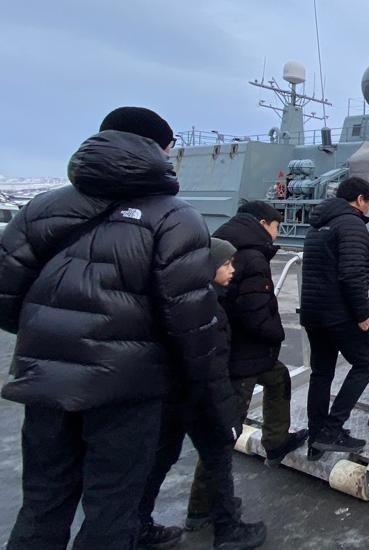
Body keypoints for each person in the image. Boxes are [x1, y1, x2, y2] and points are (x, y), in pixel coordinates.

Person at [0, 107, 237, 549]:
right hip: (128, 393)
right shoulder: (174, 217)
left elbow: (5, 294)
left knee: (42, 504)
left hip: (45, 386)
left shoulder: (41, 208)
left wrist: (54, 339)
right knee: (113, 508)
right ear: (162, 149)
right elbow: (190, 320)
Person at [185, 202, 307, 531]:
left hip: (240, 350)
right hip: (241, 356)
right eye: (277, 226)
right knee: (225, 434)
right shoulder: (253, 257)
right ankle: (200, 508)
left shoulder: (224, 245)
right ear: (263, 223)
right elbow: (254, 311)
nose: (278, 231)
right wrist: (276, 332)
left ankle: (276, 440)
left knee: (279, 378)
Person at [139, 238, 267, 550]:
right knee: (218, 460)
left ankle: (138, 524)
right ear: (208, 268)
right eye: (226, 264)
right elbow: (213, 370)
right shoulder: (209, 309)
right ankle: (228, 530)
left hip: (171, 398)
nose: (232, 269)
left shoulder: (176, 300)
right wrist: (228, 418)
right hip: (199, 401)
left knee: (159, 461)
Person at [301, 177, 369, 459]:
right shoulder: (353, 224)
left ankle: (316, 438)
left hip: (314, 311)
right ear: (360, 199)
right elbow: (350, 274)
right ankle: (331, 430)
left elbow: (345, 260)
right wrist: (362, 314)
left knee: (321, 373)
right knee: (367, 361)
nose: (368, 208)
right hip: (341, 312)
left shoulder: (320, 224)